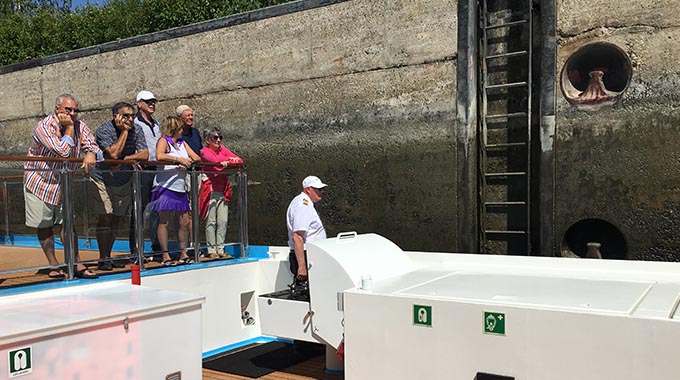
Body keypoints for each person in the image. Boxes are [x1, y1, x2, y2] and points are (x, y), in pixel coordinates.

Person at [23, 94, 102, 279]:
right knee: (45, 224)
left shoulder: (80, 125)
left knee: (69, 223)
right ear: (57, 108)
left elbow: (96, 148)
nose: (72, 113)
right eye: (68, 110)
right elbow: (63, 152)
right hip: (40, 182)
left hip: (63, 182)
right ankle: (53, 263)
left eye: (75, 110)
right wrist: (68, 129)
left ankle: (75, 263)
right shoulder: (44, 126)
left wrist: (90, 153)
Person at [91, 102, 148, 270]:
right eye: (126, 116)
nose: (130, 119)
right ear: (116, 116)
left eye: (132, 116)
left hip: (122, 179)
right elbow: (113, 153)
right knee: (106, 216)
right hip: (101, 178)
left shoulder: (137, 129)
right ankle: (104, 257)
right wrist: (124, 132)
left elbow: (145, 154)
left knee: (116, 218)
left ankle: (108, 256)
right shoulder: (104, 130)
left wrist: (124, 160)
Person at [151, 116, 201, 265]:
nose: (182, 131)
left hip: (179, 187)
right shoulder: (163, 141)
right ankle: (165, 255)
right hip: (165, 186)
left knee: (184, 221)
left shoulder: (182, 144)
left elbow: (196, 157)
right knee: (164, 221)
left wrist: (188, 162)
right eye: (180, 128)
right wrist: (178, 161)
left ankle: (183, 252)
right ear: (174, 129)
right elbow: (159, 156)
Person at [199, 127, 243, 259]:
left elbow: (239, 160)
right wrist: (226, 162)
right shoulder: (204, 151)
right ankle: (211, 250)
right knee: (211, 221)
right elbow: (215, 163)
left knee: (223, 220)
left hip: (222, 189)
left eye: (220, 137)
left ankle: (221, 248)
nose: (218, 140)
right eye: (215, 138)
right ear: (207, 140)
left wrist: (226, 162)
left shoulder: (222, 150)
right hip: (210, 189)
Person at [130, 90, 161, 257]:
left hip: (157, 169)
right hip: (143, 171)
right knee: (139, 210)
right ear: (139, 103)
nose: (152, 104)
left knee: (157, 209)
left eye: (153, 101)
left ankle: (157, 247)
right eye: (148, 101)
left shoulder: (156, 123)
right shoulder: (134, 123)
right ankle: (136, 250)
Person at [286, 176, 328, 287]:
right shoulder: (302, 205)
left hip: (310, 254)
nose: (322, 192)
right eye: (318, 189)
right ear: (308, 190)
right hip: (306, 255)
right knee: (305, 293)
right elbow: (297, 236)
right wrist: (302, 267)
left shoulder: (306, 204)